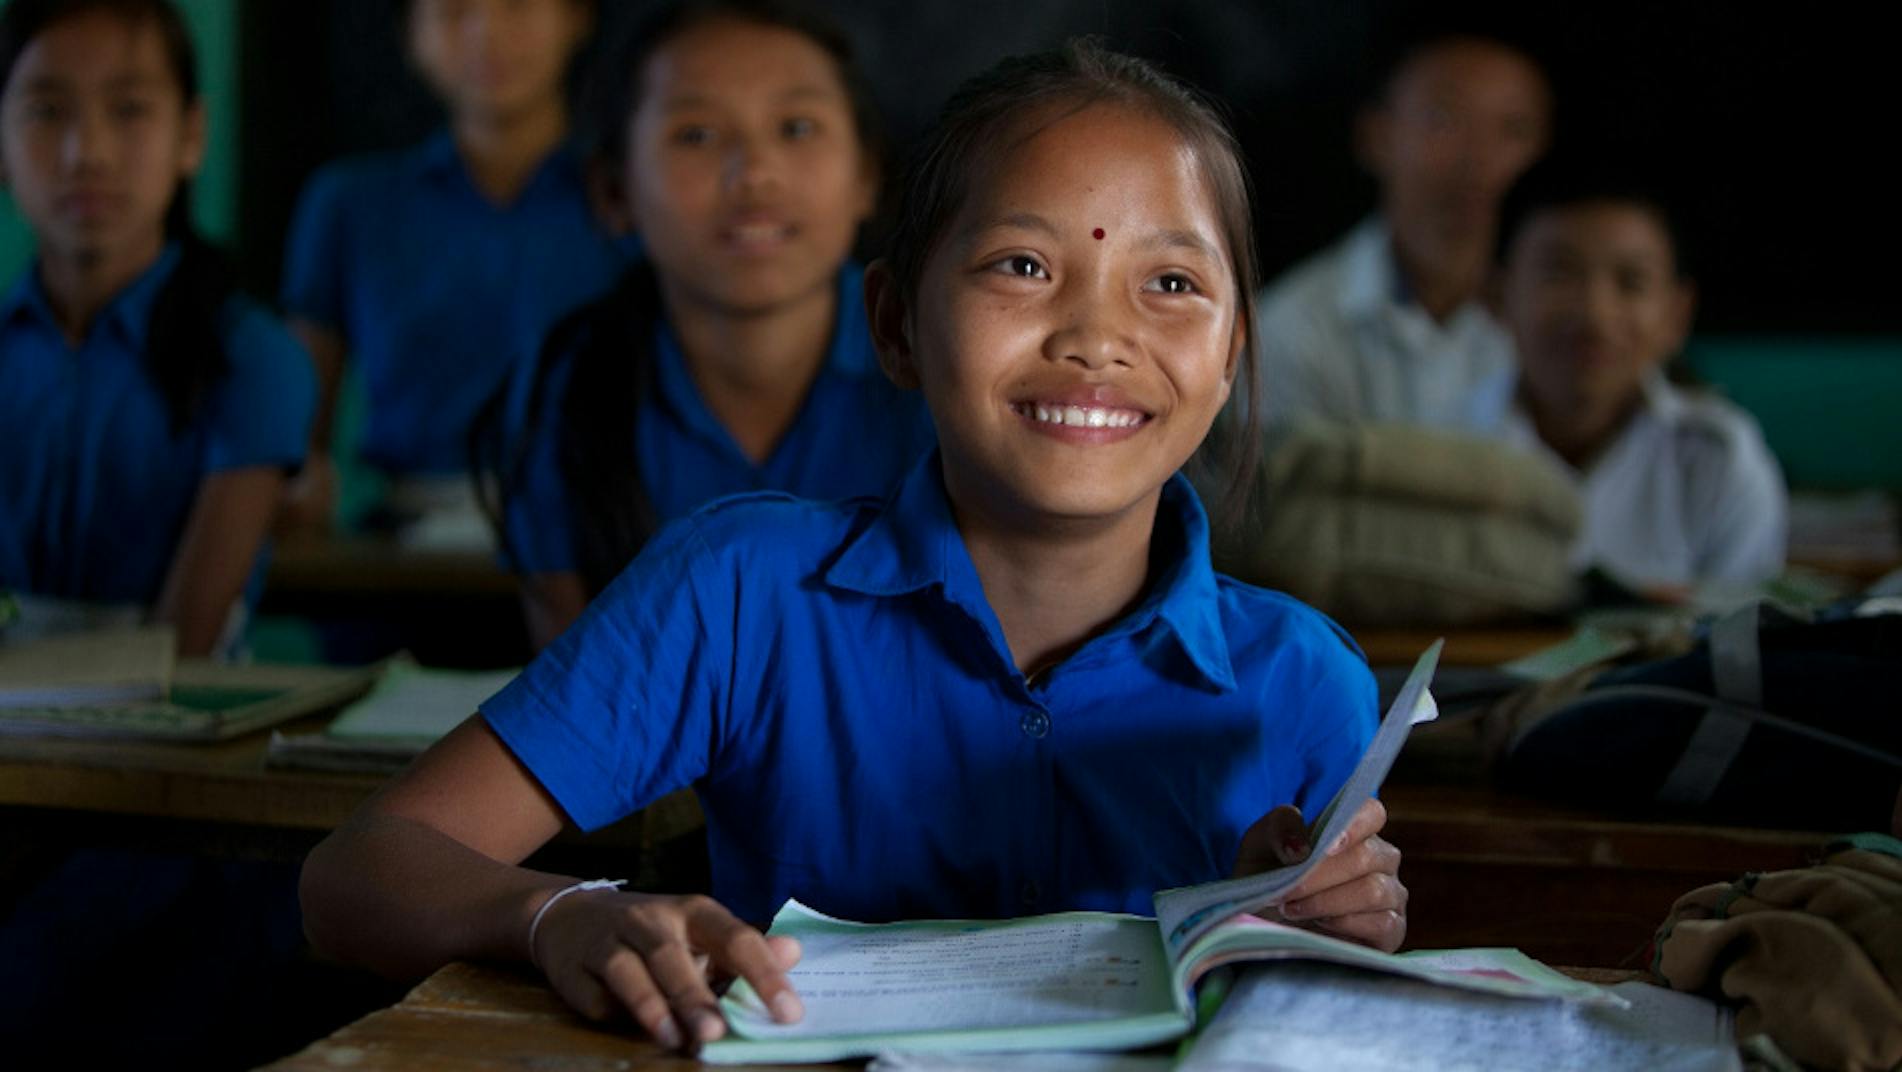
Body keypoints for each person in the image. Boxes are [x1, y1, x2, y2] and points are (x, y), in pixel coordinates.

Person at [301, 39, 1404, 1054]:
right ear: (893, 324)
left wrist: (1314, 933)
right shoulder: (743, 591)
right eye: (1022, 264)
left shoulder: (1305, 687)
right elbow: (355, 877)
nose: (1096, 337)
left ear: (1230, 355)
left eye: (1172, 284)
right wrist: (558, 914)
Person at [486, 0, 934, 649]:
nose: (754, 174)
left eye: (797, 127)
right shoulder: (568, 389)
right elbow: (578, 709)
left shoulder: (949, 370)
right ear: (614, 192)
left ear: (867, 174)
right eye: (696, 134)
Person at [0, 0, 314, 657]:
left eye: (129, 109)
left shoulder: (252, 358)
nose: (87, 152)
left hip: (166, 728)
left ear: (191, 136)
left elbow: (181, 648)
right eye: (47, 110)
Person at [279, 0, 623, 538]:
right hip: (405, 557)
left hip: (600, 543)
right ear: (412, 37)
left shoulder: (632, 199)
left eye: (518, 5)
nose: (487, 32)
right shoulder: (351, 204)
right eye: (453, 9)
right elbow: (297, 437)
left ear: (575, 17)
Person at [1495, 157, 1787, 591]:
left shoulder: (1719, 459)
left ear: (1676, 313)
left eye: (1631, 282)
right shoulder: (1435, 444)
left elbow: (1743, 647)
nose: (1594, 314)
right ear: (1498, 293)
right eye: (1559, 273)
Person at [1253, 30, 1549, 431]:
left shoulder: (1560, 323)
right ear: (1376, 136)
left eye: (1512, 129)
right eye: (1443, 119)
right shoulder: (1293, 332)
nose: (1477, 157)